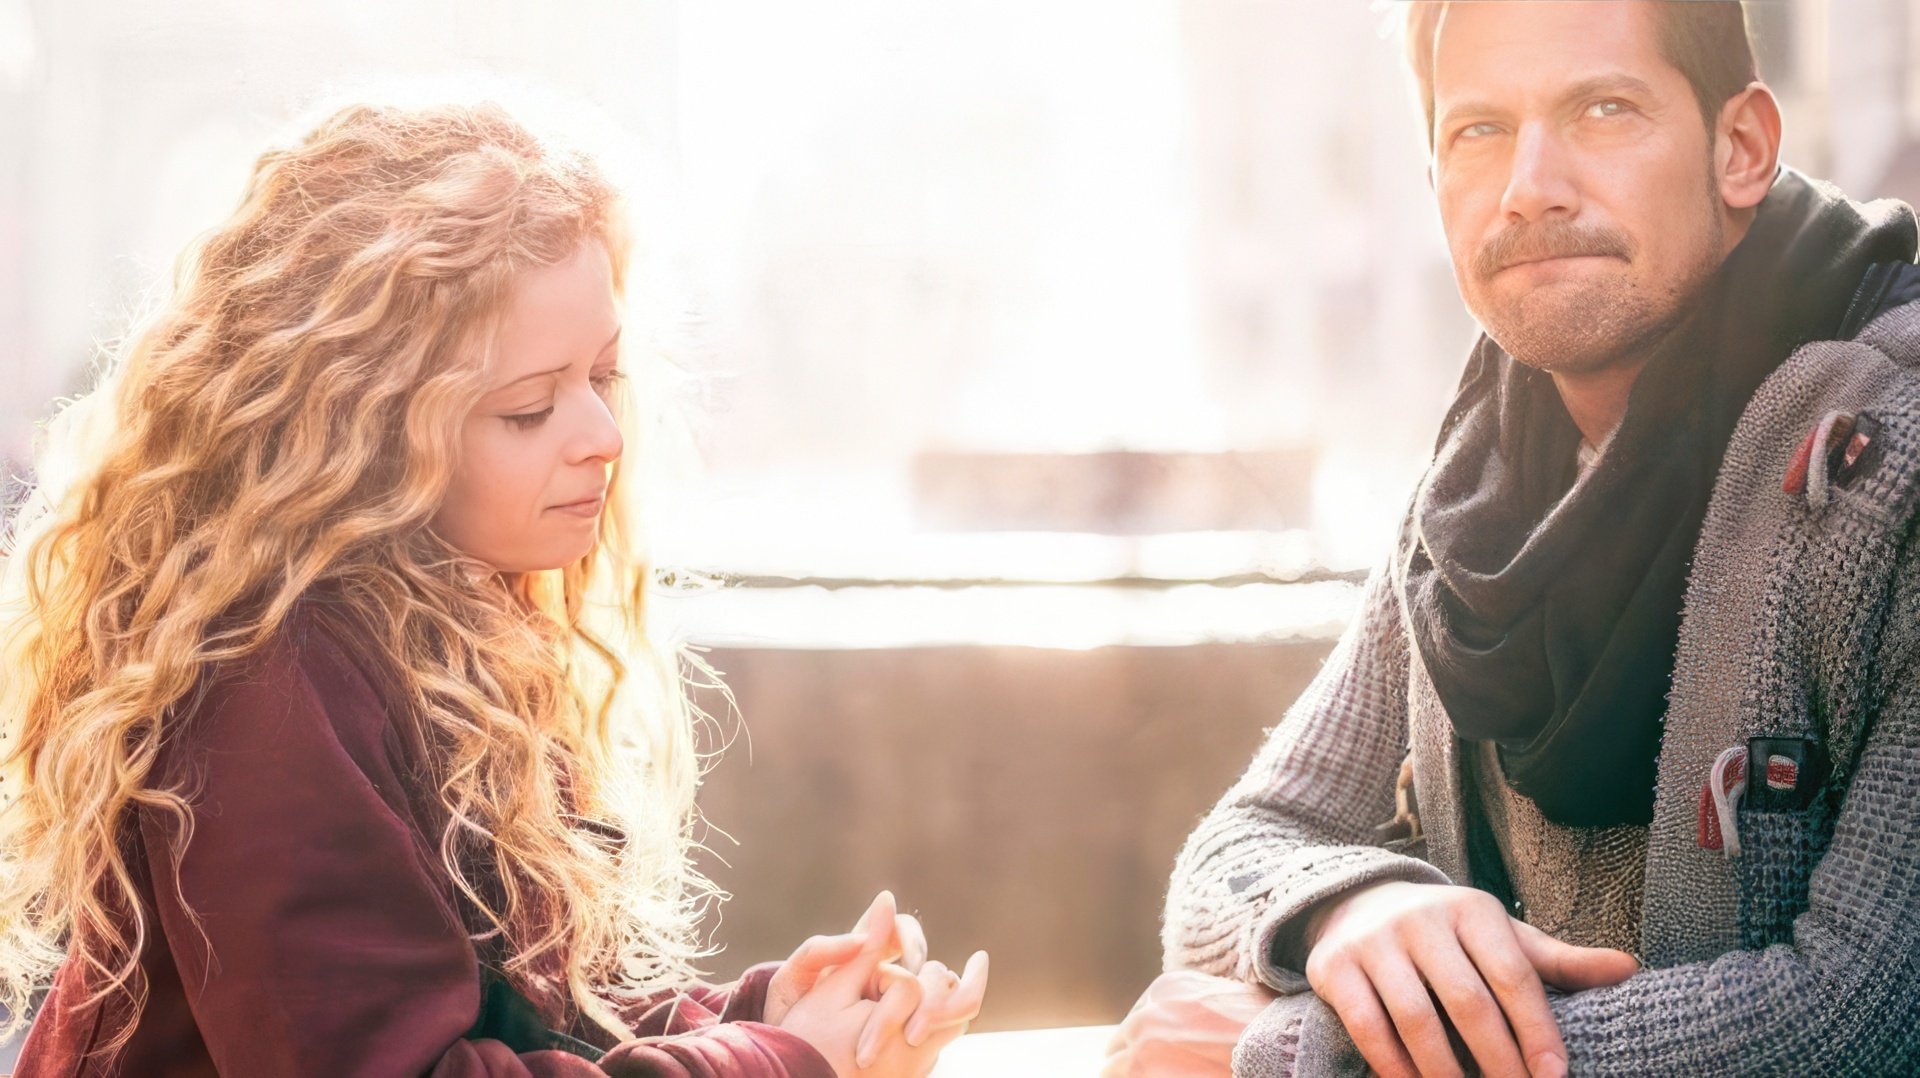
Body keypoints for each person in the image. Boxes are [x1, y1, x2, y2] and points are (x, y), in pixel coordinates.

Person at [0, 100, 986, 1077]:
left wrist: (764, 1014)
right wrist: (772, 1061)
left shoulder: (447, 638)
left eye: (605, 377)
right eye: (529, 408)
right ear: (369, 430)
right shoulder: (271, 685)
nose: (602, 434)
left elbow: (515, 1027)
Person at [1115, 2, 1920, 1075]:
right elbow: (1246, 847)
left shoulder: (1893, 458)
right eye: (1477, 131)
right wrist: (1353, 908)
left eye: (1601, 109)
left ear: (1741, 149)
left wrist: (1311, 1052)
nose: (1529, 184)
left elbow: (1865, 1017)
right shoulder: (1477, 484)